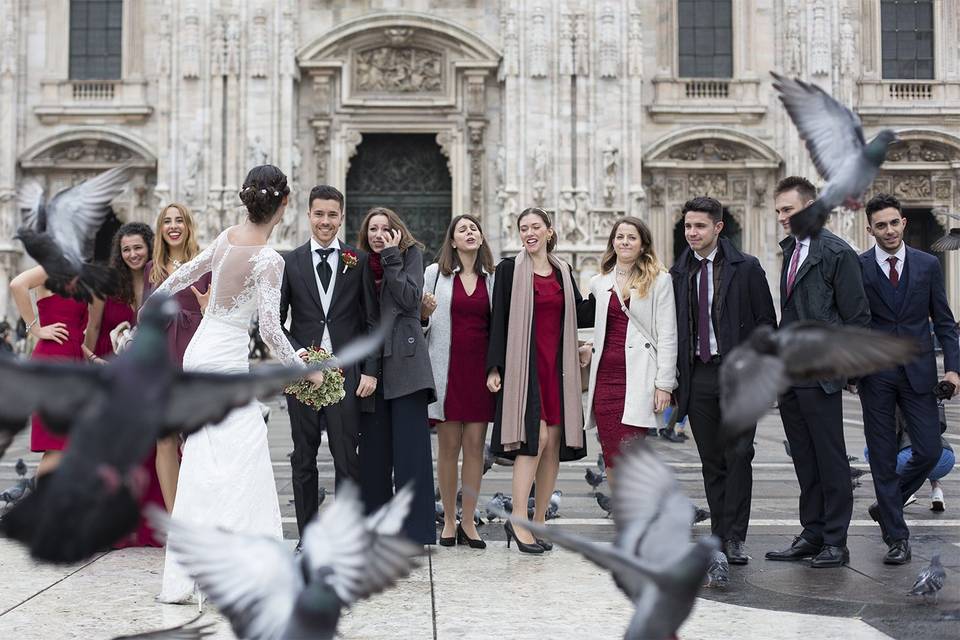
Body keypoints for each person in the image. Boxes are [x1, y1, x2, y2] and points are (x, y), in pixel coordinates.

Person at [154, 164, 323, 603]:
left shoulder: (229, 236)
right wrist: (303, 364)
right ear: (284, 205)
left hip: (201, 350)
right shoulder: (270, 259)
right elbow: (269, 329)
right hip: (225, 358)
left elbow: (183, 274)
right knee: (242, 460)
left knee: (205, 462)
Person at [765, 176, 870, 568]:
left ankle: (835, 541)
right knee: (804, 458)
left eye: (788, 209)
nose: (781, 217)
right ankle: (811, 532)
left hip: (820, 374)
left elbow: (857, 318)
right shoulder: (791, 250)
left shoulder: (836, 253)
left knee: (830, 459)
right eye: (778, 210)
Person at [670, 197, 777, 565]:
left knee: (740, 454)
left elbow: (766, 326)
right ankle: (719, 533)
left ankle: (735, 536)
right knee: (711, 459)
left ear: (718, 227)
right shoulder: (679, 272)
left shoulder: (746, 268)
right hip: (698, 375)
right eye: (687, 227)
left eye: (699, 226)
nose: (692, 233)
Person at [855, 193, 959, 564]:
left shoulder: (928, 264)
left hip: (919, 376)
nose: (889, 230)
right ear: (870, 229)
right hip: (876, 376)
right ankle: (897, 538)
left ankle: (889, 503)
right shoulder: (859, 266)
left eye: (894, 222)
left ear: (904, 223)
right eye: (880, 225)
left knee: (930, 450)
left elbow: (945, 321)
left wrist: (952, 368)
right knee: (882, 458)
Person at [279, 185, 379, 540]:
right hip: (303, 376)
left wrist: (369, 370)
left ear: (341, 217)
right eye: (319, 214)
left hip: (345, 373)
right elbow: (275, 321)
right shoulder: (289, 262)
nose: (325, 221)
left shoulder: (359, 260)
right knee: (303, 457)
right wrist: (297, 355)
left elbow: (371, 320)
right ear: (308, 215)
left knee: (346, 459)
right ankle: (307, 538)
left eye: (332, 215)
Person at [486, 207, 588, 554]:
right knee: (536, 438)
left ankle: (539, 520)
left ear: (549, 231)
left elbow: (580, 310)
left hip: (557, 365)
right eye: (523, 228)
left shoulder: (562, 270)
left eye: (535, 227)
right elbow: (497, 320)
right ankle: (518, 518)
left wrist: (618, 286)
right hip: (524, 366)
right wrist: (494, 367)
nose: (529, 233)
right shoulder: (509, 270)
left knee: (553, 444)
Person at [82, 222, 165, 548]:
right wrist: (95, 363)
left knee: (153, 449)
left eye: (138, 248)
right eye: (126, 249)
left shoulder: (159, 283)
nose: (132, 254)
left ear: (149, 247)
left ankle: (150, 524)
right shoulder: (106, 286)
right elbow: (88, 336)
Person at [357, 207, 436, 546]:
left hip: (405, 363)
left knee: (411, 453)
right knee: (373, 454)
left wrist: (391, 257)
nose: (378, 234)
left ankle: (414, 532)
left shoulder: (410, 255)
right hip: (370, 367)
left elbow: (408, 299)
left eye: (385, 229)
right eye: (372, 229)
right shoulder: (359, 265)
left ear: (397, 232)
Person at [580, 217, 676, 483]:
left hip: (639, 376)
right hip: (606, 378)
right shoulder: (599, 282)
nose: (625, 242)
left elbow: (668, 334)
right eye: (620, 236)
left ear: (643, 244)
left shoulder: (660, 280)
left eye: (631, 237)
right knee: (611, 452)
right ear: (612, 242)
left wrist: (664, 384)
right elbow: (601, 327)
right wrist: (588, 346)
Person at [421, 214, 496, 548]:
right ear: (452, 241)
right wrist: (423, 314)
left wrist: (496, 369)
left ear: (481, 239)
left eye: (474, 229)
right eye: (462, 229)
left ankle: (469, 520)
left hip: (480, 372)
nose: (469, 233)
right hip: (446, 370)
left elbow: (500, 328)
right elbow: (420, 323)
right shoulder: (434, 275)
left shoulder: (492, 278)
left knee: (476, 448)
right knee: (449, 447)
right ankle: (449, 520)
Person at [144, 203, 211, 512]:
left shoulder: (204, 264)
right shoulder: (152, 270)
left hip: (193, 353)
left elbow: (217, 311)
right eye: (167, 221)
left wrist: (207, 306)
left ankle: (199, 511)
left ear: (188, 226)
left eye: (179, 220)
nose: (173, 226)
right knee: (165, 437)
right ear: (160, 229)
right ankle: (174, 518)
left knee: (199, 438)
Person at [9, 267, 88, 476]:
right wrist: (34, 328)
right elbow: (17, 284)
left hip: (72, 365)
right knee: (57, 448)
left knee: (67, 446)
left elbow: (77, 333)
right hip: (52, 364)